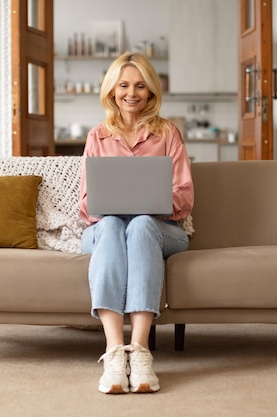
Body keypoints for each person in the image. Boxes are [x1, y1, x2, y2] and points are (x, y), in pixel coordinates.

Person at [79, 52, 194, 394]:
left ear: (151, 92)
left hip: (161, 230)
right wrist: (112, 206)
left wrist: (150, 203)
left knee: (141, 224)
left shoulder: (167, 133)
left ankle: (140, 352)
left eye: (140, 86)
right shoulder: (97, 136)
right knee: (114, 224)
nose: (132, 93)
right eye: (124, 85)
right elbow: (86, 205)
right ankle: (115, 352)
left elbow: (185, 198)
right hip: (106, 229)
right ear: (112, 90)